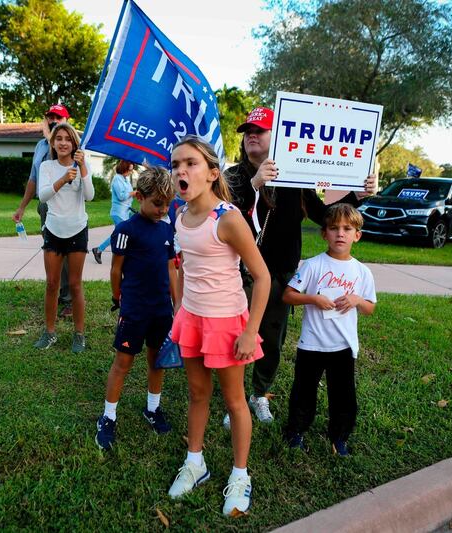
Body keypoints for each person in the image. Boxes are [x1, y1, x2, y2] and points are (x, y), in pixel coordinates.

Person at [222, 107, 377, 427]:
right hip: (242, 274)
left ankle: (259, 395)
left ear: (275, 137)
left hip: (280, 275)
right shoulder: (233, 176)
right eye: (247, 130)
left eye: (260, 130)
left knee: (272, 339)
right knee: (238, 336)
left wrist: (358, 195)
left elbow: (324, 215)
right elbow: (225, 216)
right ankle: (234, 401)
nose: (251, 134)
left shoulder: (295, 175)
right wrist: (254, 184)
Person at [167, 135, 270, 517]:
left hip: (227, 322)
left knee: (234, 400)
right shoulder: (179, 216)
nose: (181, 170)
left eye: (190, 163)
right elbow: (185, 268)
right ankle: (196, 463)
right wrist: (180, 310)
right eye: (176, 163)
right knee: (197, 393)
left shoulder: (227, 218)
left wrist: (249, 331)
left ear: (212, 173)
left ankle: (240, 475)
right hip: (193, 319)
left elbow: (262, 277)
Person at [282, 204, 376, 456]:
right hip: (312, 343)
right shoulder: (313, 265)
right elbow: (288, 296)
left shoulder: (362, 272)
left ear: (357, 235)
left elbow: (369, 308)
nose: (340, 234)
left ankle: (340, 436)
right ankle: (296, 431)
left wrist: (357, 300)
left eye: (347, 229)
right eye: (334, 228)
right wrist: (314, 299)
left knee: (343, 396)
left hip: (343, 346)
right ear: (324, 234)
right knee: (303, 392)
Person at [94, 166, 178, 451]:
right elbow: (116, 270)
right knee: (123, 362)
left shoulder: (168, 230)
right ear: (140, 197)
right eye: (157, 203)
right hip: (134, 310)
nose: (162, 209)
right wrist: (118, 298)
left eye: (167, 204)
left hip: (160, 311)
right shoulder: (125, 229)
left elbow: (171, 269)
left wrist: (176, 304)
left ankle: (152, 408)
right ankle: (108, 416)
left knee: (157, 361)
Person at [34, 123, 94, 352]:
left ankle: (79, 335)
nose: (62, 142)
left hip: (77, 228)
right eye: (58, 138)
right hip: (53, 229)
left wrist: (83, 169)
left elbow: (89, 196)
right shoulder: (47, 166)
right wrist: (61, 180)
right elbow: (43, 195)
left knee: (76, 285)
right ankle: (50, 333)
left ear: (74, 144)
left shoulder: (81, 166)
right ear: (53, 143)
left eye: (67, 139)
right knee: (52, 285)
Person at [13, 104, 73, 318]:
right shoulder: (40, 146)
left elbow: (60, 165)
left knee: (66, 252)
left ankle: (68, 299)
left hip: (66, 205)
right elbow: (34, 179)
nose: (53, 120)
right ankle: (55, 292)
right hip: (45, 206)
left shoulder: (71, 146)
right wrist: (22, 207)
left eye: (58, 117)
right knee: (52, 250)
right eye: (50, 117)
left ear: (67, 120)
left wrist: (52, 139)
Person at [91, 160, 136, 264]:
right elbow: (121, 196)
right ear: (124, 168)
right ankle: (99, 250)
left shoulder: (125, 179)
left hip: (126, 212)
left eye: (131, 170)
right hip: (118, 213)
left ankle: (99, 249)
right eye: (129, 170)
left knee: (122, 234)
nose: (130, 172)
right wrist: (133, 193)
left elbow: (128, 195)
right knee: (120, 234)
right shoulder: (117, 179)